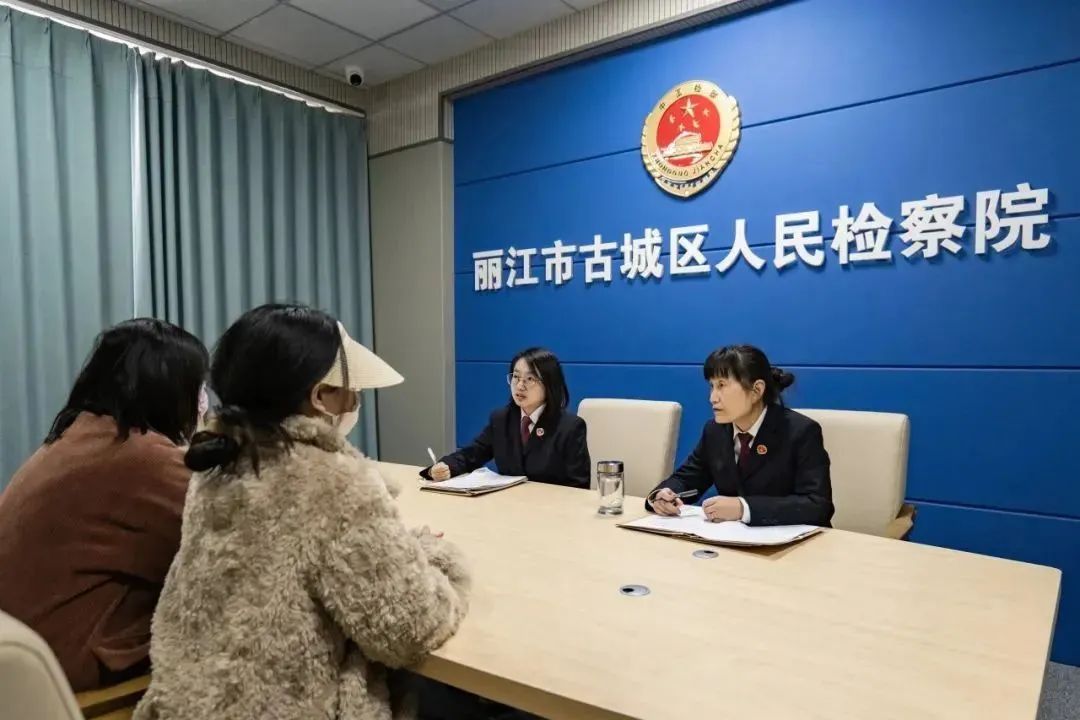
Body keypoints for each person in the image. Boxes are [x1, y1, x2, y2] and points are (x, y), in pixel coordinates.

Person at [134, 304, 470, 720]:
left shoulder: (219, 465)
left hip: (190, 704)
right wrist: (438, 558)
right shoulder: (332, 482)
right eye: (350, 387)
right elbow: (410, 627)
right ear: (320, 396)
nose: (356, 398)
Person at [0, 319, 208, 691]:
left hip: (31, 660)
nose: (204, 400)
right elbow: (227, 536)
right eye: (198, 387)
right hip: (72, 670)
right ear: (172, 389)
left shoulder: (76, 438)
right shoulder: (141, 457)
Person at [647, 345, 834, 527]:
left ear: (756, 390)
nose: (712, 398)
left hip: (795, 543)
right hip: (735, 539)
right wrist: (661, 496)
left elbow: (817, 505)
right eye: (712, 386)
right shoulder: (715, 431)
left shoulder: (801, 431)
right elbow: (686, 478)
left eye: (722, 385)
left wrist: (744, 508)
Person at [423, 347, 590, 489]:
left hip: (551, 511)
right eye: (516, 377)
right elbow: (471, 455)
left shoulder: (570, 427)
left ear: (549, 384)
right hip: (506, 507)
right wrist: (444, 467)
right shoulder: (501, 419)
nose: (519, 386)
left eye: (530, 379)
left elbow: (579, 486)